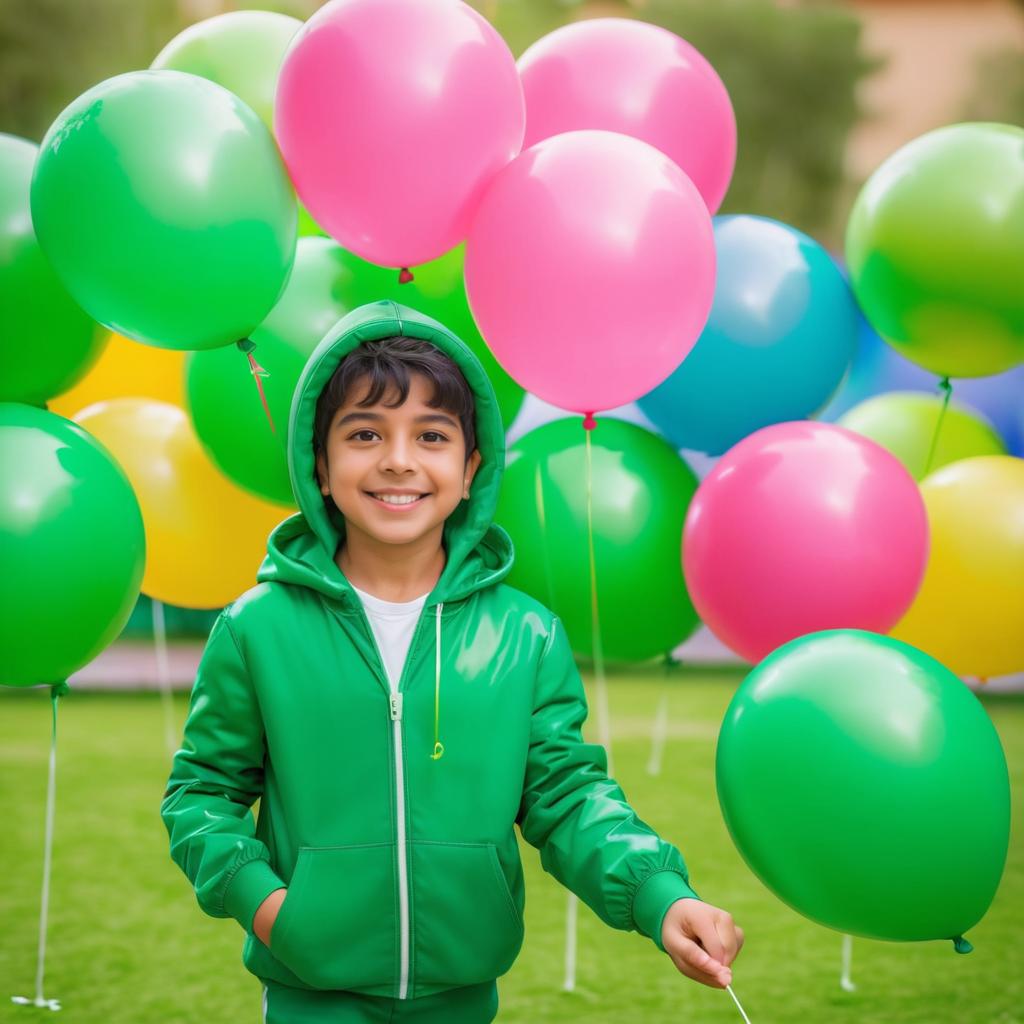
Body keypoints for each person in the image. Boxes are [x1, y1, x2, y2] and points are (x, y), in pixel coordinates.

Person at [160, 300, 743, 1023]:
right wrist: (272, 907)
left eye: (431, 436)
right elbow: (201, 796)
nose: (398, 460)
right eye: (365, 433)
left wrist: (662, 896)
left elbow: (566, 797)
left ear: (471, 468)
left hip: (465, 998)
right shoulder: (257, 629)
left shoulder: (526, 637)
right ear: (320, 462)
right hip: (309, 995)